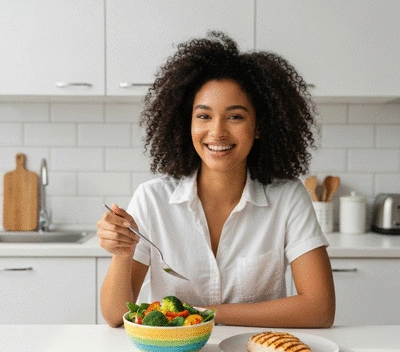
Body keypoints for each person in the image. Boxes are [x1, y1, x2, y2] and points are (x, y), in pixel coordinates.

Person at [97, 31, 335, 328]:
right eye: (204, 116)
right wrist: (122, 253)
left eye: (235, 117)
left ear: (258, 126)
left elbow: (320, 308)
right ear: (188, 124)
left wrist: (205, 313)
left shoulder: (288, 198)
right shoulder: (152, 199)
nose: (217, 132)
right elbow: (114, 316)